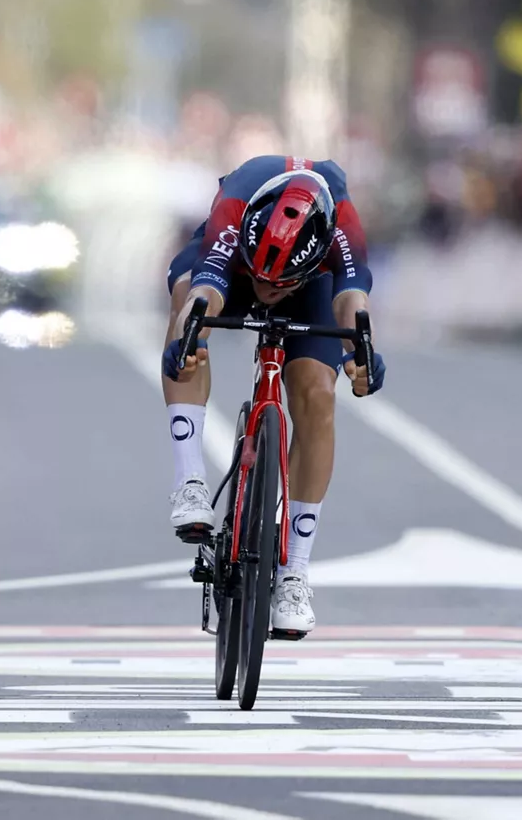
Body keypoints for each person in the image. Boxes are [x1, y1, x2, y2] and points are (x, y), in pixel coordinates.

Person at [161, 155, 386, 635]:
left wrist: (360, 352)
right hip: (231, 267)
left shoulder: (340, 227)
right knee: (187, 310)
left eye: (275, 284)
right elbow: (206, 289)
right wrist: (190, 337)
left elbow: (351, 301)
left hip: (311, 283)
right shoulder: (237, 203)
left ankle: (295, 572)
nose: (268, 292)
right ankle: (190, 483)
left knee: (317, 392)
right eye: (265, 283)